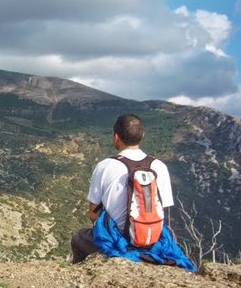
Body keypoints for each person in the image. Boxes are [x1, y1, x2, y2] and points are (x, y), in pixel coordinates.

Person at [70, 113, 174, 264]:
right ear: (142, 136)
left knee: (79, 238)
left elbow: (93, 214)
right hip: (152, 240)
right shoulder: (159, 166)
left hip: (118, 239)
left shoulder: (105, 166)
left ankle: (81, 274)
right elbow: (161, 209)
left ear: (116, 137)